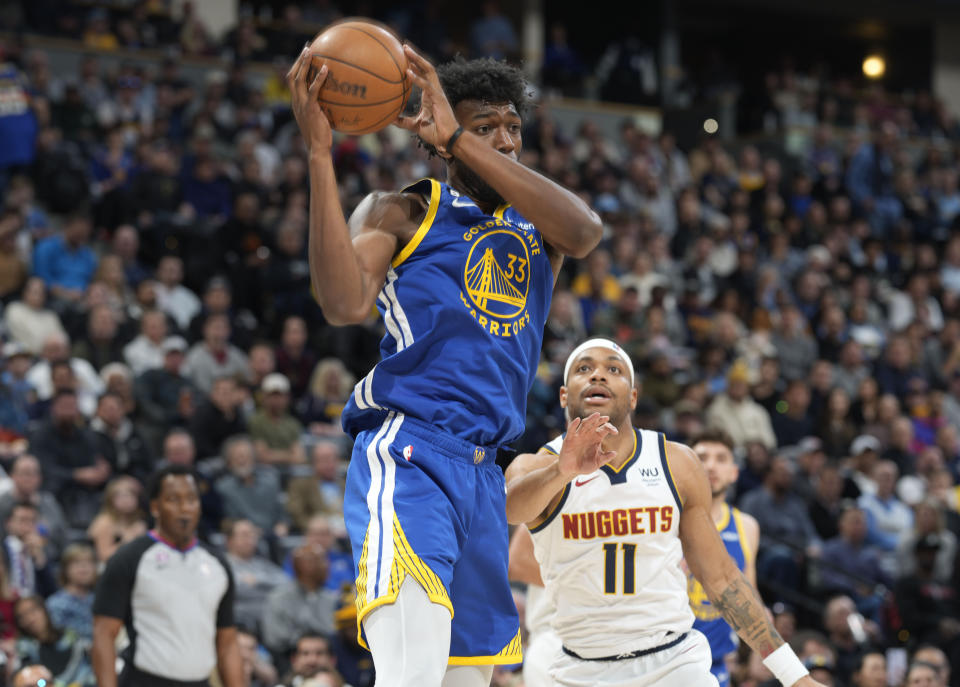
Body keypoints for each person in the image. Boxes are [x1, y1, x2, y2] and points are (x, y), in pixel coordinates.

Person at [288, 32, 602, 683]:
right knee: (413, 673)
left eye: (513, 127)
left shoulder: (538, 225)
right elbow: (344, 303)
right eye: (487, 127)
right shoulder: (403, 210)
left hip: (487, 475)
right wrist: (320, 153)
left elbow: (585, 231)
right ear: (433, 138)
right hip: (412, 454)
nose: (508, 141)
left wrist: (466, 138)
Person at [504, 339, 824, 687]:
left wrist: (796, 677)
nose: (598, 375)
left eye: (614, 369)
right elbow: (510, 508)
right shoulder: (536, 466)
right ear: (565, 395)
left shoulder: (676, 462)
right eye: (584, 368)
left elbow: (722, 579)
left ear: (634, 397)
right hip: (580, 667)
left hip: (673, 663)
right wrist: (562, 471)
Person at [91, 465, 244, 687]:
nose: (185, 508)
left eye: (191, 500)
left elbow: (228, 643)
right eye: (174, 500)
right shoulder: (129, 559)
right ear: (155, 506)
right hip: (144, 680)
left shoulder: (217, 564)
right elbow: (103, 635)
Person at [686, 429, 760, 687]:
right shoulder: (665, 520)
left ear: (734, 472)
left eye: (721, 458)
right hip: (666, 662)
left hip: (716, 665)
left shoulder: (746, 527)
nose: (710, 466)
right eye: (702, 457)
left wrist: (764, 651)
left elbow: (749, 596)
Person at [14, 594, 95, 686]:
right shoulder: (25, 647)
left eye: (33, 610)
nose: (29, 619)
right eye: (22, 616)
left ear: (44, 610)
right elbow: (32, 679)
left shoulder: (69, 636)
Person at [86, 476, 148, 563]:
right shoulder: (104, 522)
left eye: (130, 495)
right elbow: (103, 556)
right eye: (121, 496)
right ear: (110, 500)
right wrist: (128, 540)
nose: (126, 500)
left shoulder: (138, 522)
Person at [45, 543, 97, 641]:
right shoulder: (55, 604)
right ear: (65, 569)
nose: (84, 567)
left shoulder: (99, 599)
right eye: (77, 562)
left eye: (89, 562)